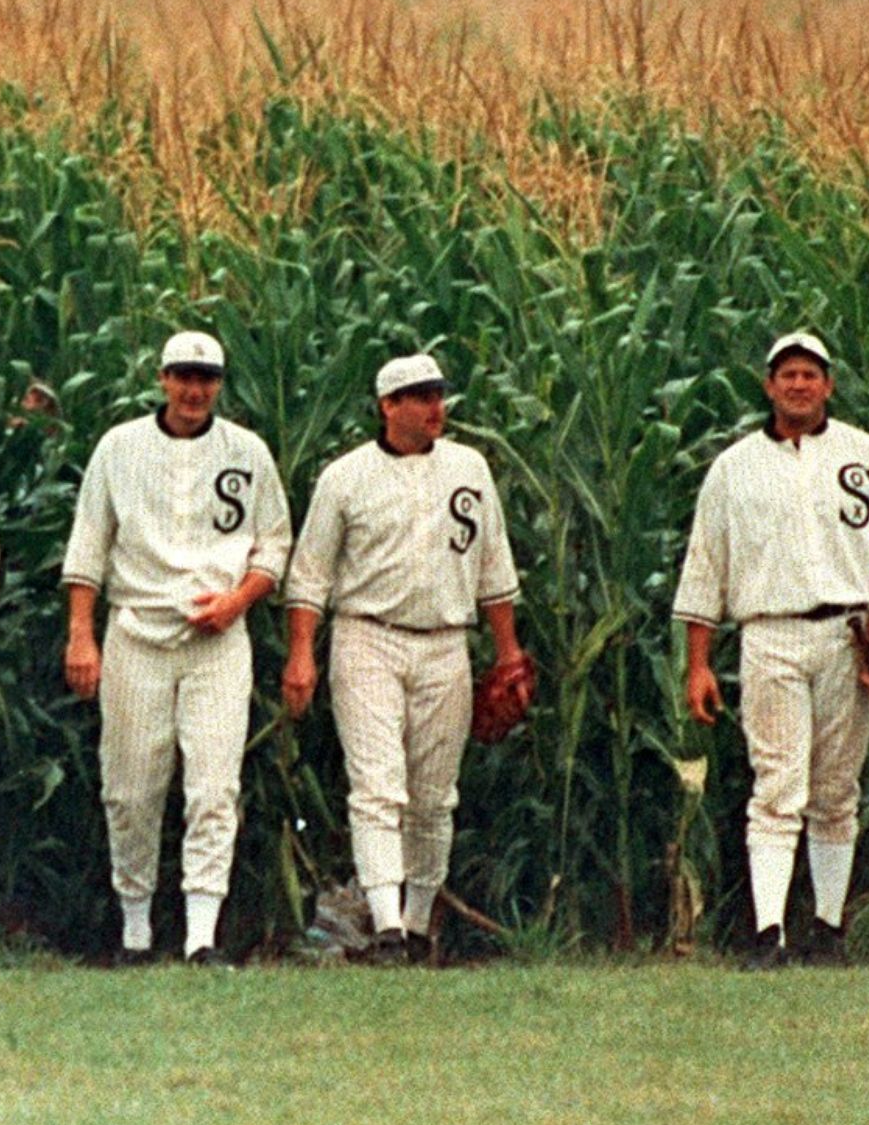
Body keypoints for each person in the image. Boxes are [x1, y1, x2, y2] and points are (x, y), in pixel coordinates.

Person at [675, 332, 869, 968]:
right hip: (770, 635)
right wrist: (698, 663)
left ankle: (828, 927)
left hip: (848, 637)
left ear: (829, 385)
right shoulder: (734, 468)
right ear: (768, 385)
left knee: (837, 788)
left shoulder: (866, 457)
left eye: (810, 374)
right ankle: (768, 934)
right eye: (786, 374)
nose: (798, 384)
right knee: (778, 783)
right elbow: (705, 567)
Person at [279, 354, 524, 964]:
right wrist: (302, 654)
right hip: (368, 636)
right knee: (378, 786)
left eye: (438, 394)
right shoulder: (346, 476)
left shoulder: (469, 468)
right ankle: (386, 924)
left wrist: (509, 654)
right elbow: (309, 576)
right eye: (419, 396)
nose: (434, 406)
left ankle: (417, 926)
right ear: (388, 406)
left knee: (435, 794)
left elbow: (493, 568)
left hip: (446, 640)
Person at [62, 332, 291, 965]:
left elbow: (274, 545)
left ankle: (200, 936)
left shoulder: (246, 451)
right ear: (162, 377)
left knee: (214, 786)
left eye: (208, 378)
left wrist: (237, 601)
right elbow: (88, 548)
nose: (195, 390)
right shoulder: (120, 447)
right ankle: (135, 931)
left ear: (221, 383)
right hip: (137, 630)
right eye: (184, 376)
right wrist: (82, 635)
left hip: (218, 638)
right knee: (131, 786)